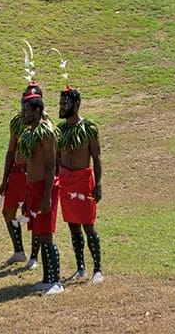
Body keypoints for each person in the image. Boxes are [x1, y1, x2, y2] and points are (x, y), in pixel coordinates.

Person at [57, 87, 104, 283]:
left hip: (84, 181)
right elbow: (57, 156)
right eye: (61, 103)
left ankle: (98, 269)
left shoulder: (89, 129)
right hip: (66, 182)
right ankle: (80, 267)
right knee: (73, 225)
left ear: (76, 105)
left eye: (65, 103)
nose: (61, 107)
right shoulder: (60, 131)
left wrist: (99, 183)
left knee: (88, 225)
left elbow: (97, 157)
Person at [20, 92, 63, 295]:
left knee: (46, 236)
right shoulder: (30, 133)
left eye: (27, 109)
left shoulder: (46, 132)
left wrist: (46, 196)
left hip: (46, 189)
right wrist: (28, 196)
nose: (23, 112)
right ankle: (47, 278)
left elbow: (51, 165)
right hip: (33, 189)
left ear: (37, 111)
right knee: (39, 234)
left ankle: (56, 281)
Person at [0, 84, 38, 267]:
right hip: (16, 173)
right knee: (8, 212)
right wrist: (4, 178)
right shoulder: (16, 123)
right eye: (23, 99)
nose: (24, 103)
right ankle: (19, 251)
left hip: (34, 174)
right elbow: (10, 151)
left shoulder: (44, 125)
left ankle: (35, 257)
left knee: (35, 215)